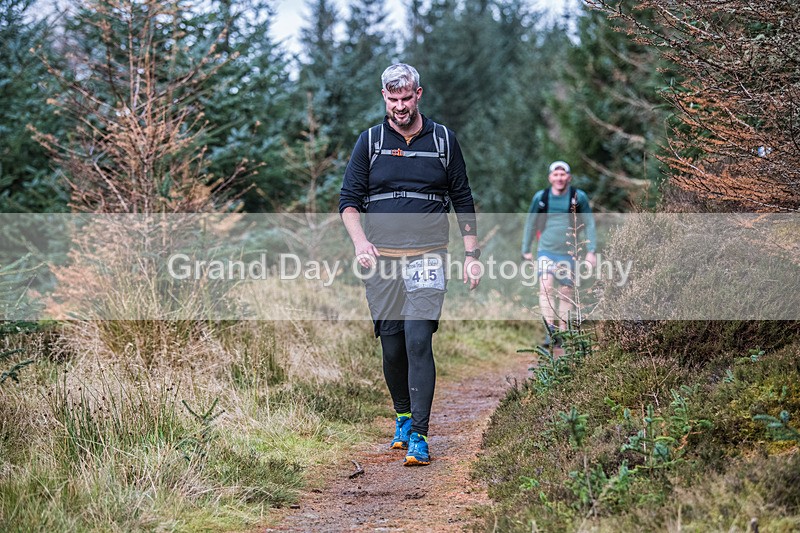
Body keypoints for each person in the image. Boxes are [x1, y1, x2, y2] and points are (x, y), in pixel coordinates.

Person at [339, 63, 482, 466]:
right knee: (393, 345)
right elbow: (349, 201)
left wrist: (472, 256)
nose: (400, 106)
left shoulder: (443, 141)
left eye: (406, 98)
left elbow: (463, 199)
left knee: (419, 340)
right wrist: (360, 242)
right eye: (392, 99)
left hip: (428, 255)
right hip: (381, 259)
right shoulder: (369, 142)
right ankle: (402, 415)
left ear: (419, 94)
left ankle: (420, 434)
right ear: (384, 97)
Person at [521, 161, 597, 347]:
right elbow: (530, 223)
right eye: (556, 175)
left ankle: (563, 333)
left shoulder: (578, 197)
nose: (559, 178)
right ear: (550, 178)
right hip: (545, 250)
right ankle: (551, 331)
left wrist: (591, 251)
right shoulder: (541, 197)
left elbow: (589, 223)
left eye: (563, 174)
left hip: (569, 252)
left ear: (569, 177)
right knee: (546, 288)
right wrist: (526, 249)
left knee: (565, 292)